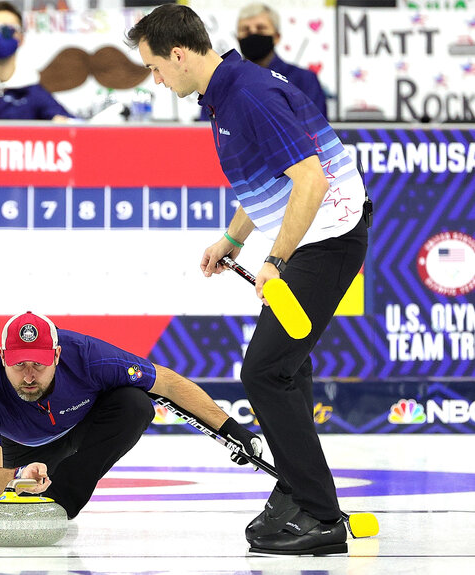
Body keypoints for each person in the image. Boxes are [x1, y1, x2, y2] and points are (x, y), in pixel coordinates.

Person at [127, 4, 369, 556]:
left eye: (156, 68)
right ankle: (295, 492)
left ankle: (322, 515)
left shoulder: (247, 95)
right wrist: (235, 239)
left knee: (265, 372)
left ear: (180, 55)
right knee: (286, 368)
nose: (156, 79)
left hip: (327, 238)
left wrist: (276, 261)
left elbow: (309, 178)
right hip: (313, 235)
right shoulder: (225, 90)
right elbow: (263, 178)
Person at [0, 311, 262, 520]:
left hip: (81, 427)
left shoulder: (89, 357)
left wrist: (232, 429)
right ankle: (39, 487)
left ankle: (62, 499)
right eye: (19, 364)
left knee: (135, 402)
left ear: (57, 355)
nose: (28, 376)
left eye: (38, 364)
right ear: (2, 357)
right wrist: (18, 477)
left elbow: (168, 382)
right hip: (24, 455)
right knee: (9, 489)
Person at [198, 3, 327, 121]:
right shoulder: (220, 84)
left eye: (261, 28)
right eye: (246, 30)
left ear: (276, 37)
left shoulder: (304, 81)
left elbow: (318, 132)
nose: (253, 33)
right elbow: (206, 132)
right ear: (238, 38)